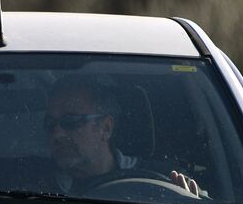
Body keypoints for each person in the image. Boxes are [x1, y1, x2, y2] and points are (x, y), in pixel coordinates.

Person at [41, 74, 200, 196]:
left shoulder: (166, 180)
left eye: (70, 122)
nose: (57, 134)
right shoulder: (29, 183)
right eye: (50, 124)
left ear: (106, 128)